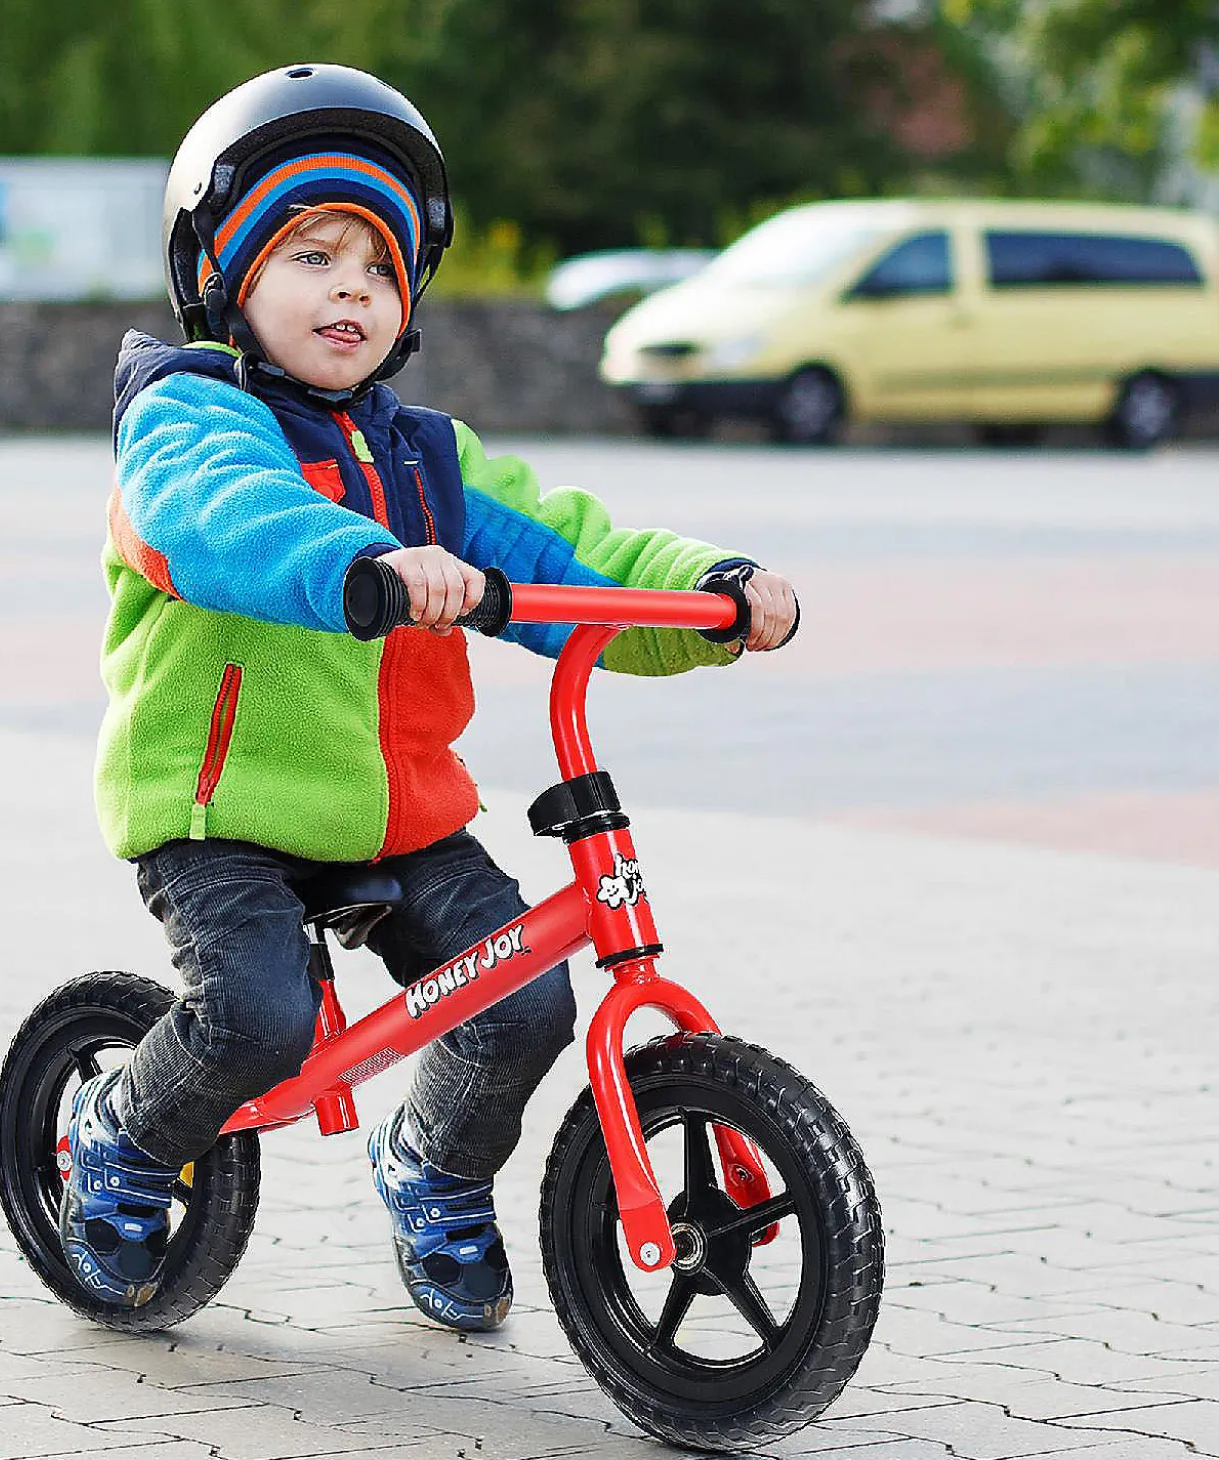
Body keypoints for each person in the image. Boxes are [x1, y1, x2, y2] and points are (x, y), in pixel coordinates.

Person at [60, 63, 799, 1329]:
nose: (351, 288)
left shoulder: (427, 459)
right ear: (228, 280)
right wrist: (360, 562)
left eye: (379, 269)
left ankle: (432, 1168)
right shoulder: (189, 418)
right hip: (218, 807)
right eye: (312, 254)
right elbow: (224, 517)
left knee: (524, 998)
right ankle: (118, 1137)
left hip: (397, 809)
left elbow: (576, 553)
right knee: (256, 1015)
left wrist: (714, 591)